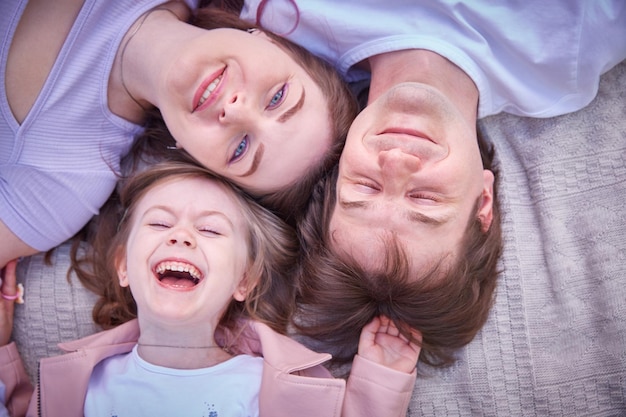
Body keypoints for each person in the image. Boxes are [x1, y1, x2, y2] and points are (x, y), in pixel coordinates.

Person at [229, 0, 626, 365]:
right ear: (483, 202)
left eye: (364, 186)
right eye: (425, 198)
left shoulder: (281, 45)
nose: (397, 160)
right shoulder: (566, 53)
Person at [0, 162, 419, 416]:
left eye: (210, 229)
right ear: (124, 266)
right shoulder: (83, 383)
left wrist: (379, 381)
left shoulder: (270, 385)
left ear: (244, 281)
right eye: (160, 223)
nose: (181, 236)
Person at [0, 0, 358, 272]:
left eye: (241, 148)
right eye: (278, 97)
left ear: (194, 158)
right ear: (272, 40)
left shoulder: (60, 183)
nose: (234, 111)